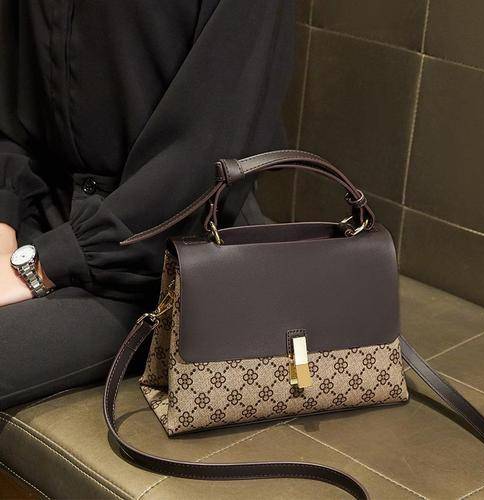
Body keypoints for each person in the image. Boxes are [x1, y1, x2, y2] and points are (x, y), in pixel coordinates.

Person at [0, 1, 294, 409]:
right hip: (40, 223)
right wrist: (4, 221)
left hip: (169, 258)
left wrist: (39, 266)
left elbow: (208, 157)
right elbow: (10, 99)